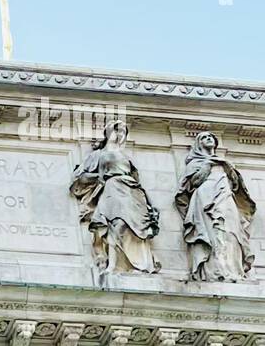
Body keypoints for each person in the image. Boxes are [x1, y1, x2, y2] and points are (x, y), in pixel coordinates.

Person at [70, 120, 160, 274]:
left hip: (132, 192)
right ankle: (114, 265)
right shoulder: (98, 154)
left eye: (123, 132)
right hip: (112, 189)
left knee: (135, 228)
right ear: (107, 132)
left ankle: (137, 265)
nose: (119, 134)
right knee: (116, 224)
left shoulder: (126, 157)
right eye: (116, 130)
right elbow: (80, 177)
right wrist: (98, 178)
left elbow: (137, 180)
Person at [175, 132, 256, 283]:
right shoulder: (195, 163)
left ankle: (232, 269)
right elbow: (192, 183)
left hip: (225, 197)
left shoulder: (224, 162)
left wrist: (228, 169)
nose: (209, 139)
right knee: (211, 232)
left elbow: (237, 186)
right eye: (204, 137)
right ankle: (214, 270)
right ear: (198, 144)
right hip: (205, 198)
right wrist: (208, 165)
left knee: (231, 231)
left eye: (211, 137)